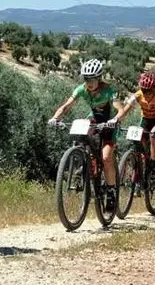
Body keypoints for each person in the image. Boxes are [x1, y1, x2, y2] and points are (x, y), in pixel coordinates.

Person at [48, 59, 123, 212]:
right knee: (81, 133)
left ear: (99, 78)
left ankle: (111, 191)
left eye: (92, 79)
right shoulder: (81, 89)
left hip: (110, 122)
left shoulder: (108, 90)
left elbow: (120, 109)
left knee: (106, 157)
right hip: (94, 118)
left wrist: (114, 121)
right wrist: (55, 118)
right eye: (86, 79)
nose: (89, 82)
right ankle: (84, 162)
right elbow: (67, 106)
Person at [112, 70, 155, 192]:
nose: (146, 93)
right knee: (138, 140)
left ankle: (154, 166)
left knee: (153, 135)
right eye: (144, 90)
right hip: (145, 120)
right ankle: (140, 164)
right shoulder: (137, 95)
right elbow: (124, 111)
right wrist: (116, 120)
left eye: (149, 91)